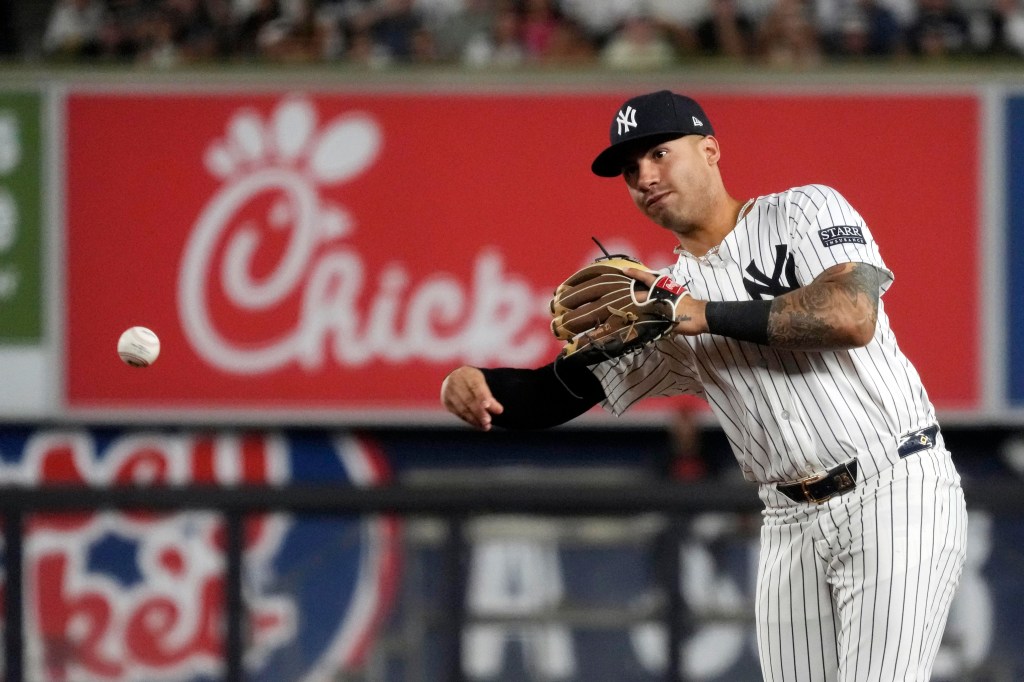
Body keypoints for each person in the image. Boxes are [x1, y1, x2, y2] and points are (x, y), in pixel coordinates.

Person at [440, 89, 968, 681]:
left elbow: (851, 316)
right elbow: (560, 389)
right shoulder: (659, 307)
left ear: (711, 149)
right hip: (787, 520)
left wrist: (698, 312)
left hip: (893, 487)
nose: (644, 175)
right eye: (631, 169)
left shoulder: (802, 210)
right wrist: (477, 383)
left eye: (659, 153)